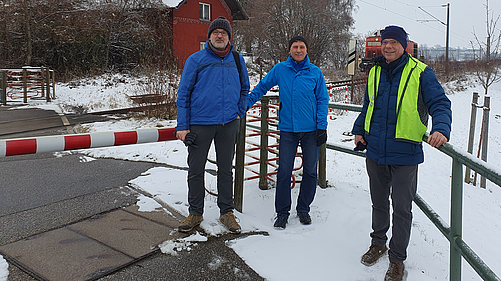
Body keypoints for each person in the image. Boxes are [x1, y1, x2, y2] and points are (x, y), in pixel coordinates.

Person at [351, 25, 452, 281]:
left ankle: (397, 259)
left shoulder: (421, 73)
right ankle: (378, 243)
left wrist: (440, 128)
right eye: (385, 43)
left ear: (404, 45)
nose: (388, 47)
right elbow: (368, 105)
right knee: (379, 202)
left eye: (394, 43)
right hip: (375, 150)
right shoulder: (374, 71)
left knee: (402, 208)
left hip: (405, 152)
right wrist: (359, 129)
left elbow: (440, 103)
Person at [175, 16, 250, 234]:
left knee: (226, 169)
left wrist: (240, 111)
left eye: (224, 33)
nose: (219, 36)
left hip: (228, 124)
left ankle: (227, 212)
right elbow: (183, 94)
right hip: (200, 124)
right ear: (209, 36)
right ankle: (195, 212)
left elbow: (245, 88)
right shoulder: (196, 60)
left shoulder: (237, 60)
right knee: (196, 169)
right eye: (216, 32)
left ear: (229, 37)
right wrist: (183, 126)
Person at [247, 36, 329, 229]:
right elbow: (262, 86)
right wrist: (246, 103)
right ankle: (282, 212)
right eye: (295, 47)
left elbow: (322, 100)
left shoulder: (315, 72)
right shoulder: (280, 69)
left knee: (310, 171)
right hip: (288, 130)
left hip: (311, 131)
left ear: (306, 51)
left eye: (302, 47)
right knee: (284, 171)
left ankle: (303, 209)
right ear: (290, 50)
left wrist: (321, 126)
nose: (298, 50)